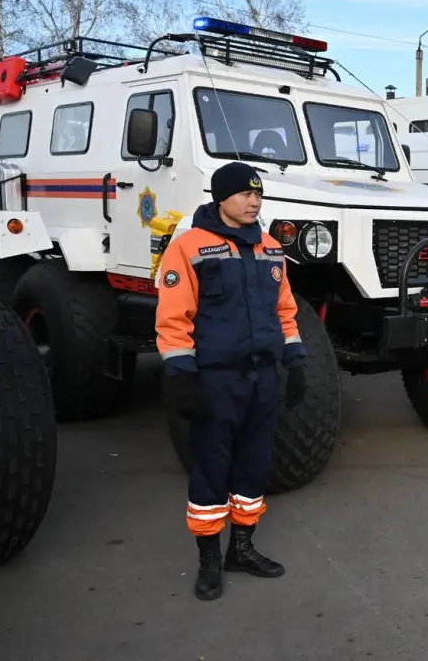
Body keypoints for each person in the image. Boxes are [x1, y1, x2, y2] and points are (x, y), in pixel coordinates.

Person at [155, 161, 308, 601]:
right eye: (244, 194)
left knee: (254, 464)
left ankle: (241, 549)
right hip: (216, 380)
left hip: (262, 378)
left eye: (258, 195)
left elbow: (285, 311)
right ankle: (208, 560)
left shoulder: (270, 248)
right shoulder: (189, 248)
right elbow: (172, 319)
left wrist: (295, 360)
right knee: (211, 468)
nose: (254, 202)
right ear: (222, 198)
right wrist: (181, 376)